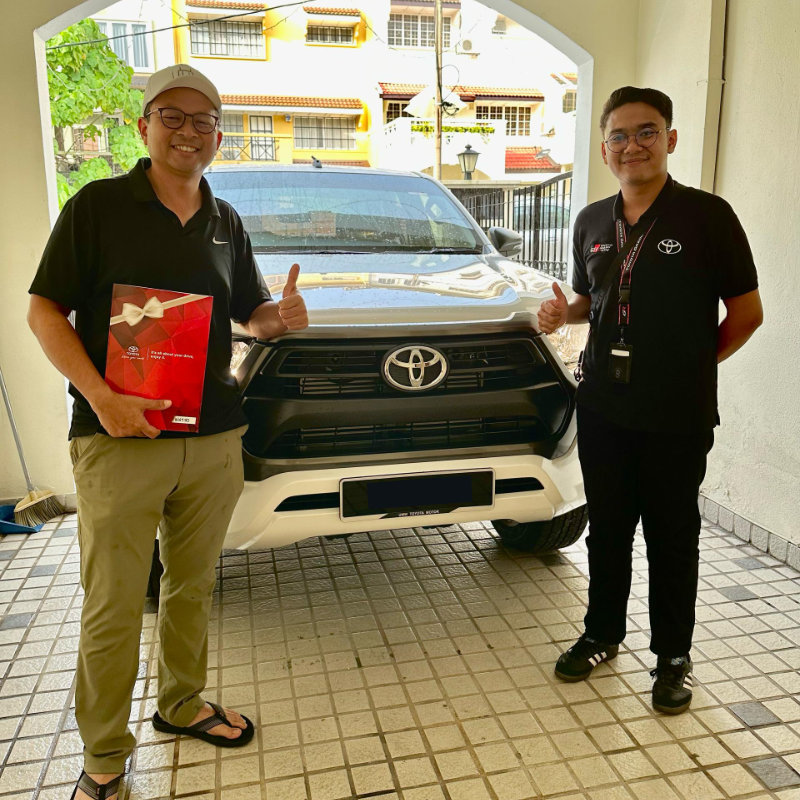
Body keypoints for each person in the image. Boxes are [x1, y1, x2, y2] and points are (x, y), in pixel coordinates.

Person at [27, 64, 308, 800]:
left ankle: (181, 704)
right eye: (172, 117)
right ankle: (103, 757)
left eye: (203, 120)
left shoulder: (224, 219)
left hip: (212, 437)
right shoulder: (98, 206)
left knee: (192, 584)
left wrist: (278, 318)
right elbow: (44, 311)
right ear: (144, 125)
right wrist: (103, 397)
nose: (189, 132)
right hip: (118, 437)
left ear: (218, 133)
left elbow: (249, 313)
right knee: (115, 600)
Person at [538, 86, 762, 715]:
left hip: (676, 413)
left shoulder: (708, 216)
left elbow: (747, 314)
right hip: (604, 407)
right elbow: (591, 299)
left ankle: (673, 657)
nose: (632, 145)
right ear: (604, 149)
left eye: (646, 132)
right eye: (619, 135)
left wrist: (692, 367)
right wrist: (561, 313)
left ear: (670, 139)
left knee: (672, 535)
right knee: (607, 530)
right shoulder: (590, 220)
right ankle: (602, 634)